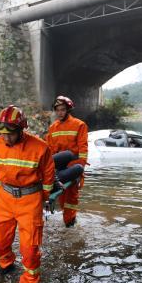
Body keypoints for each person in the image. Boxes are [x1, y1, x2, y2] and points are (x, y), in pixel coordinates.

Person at [0, 105, 55, 283]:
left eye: (11, 134)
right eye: (2, 134)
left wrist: (43, 198)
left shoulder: (40, 148)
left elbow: (48, 176)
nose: (6, 138)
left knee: (30, 248)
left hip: (30, 200)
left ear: (21, 129)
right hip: (5, 198)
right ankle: (6, 265)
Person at [45, 96, 88, 228]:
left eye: (63, 110)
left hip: (72, 167)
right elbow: (50, 151)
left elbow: (83, 150)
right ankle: (68, 226)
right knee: (63, 199)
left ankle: (70, 223)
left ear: (68, 110)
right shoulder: (53, 128)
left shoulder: (79, 125)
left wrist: (79, 170)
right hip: (58, 167)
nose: (60, 113)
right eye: (57, 110)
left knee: (71, 199)